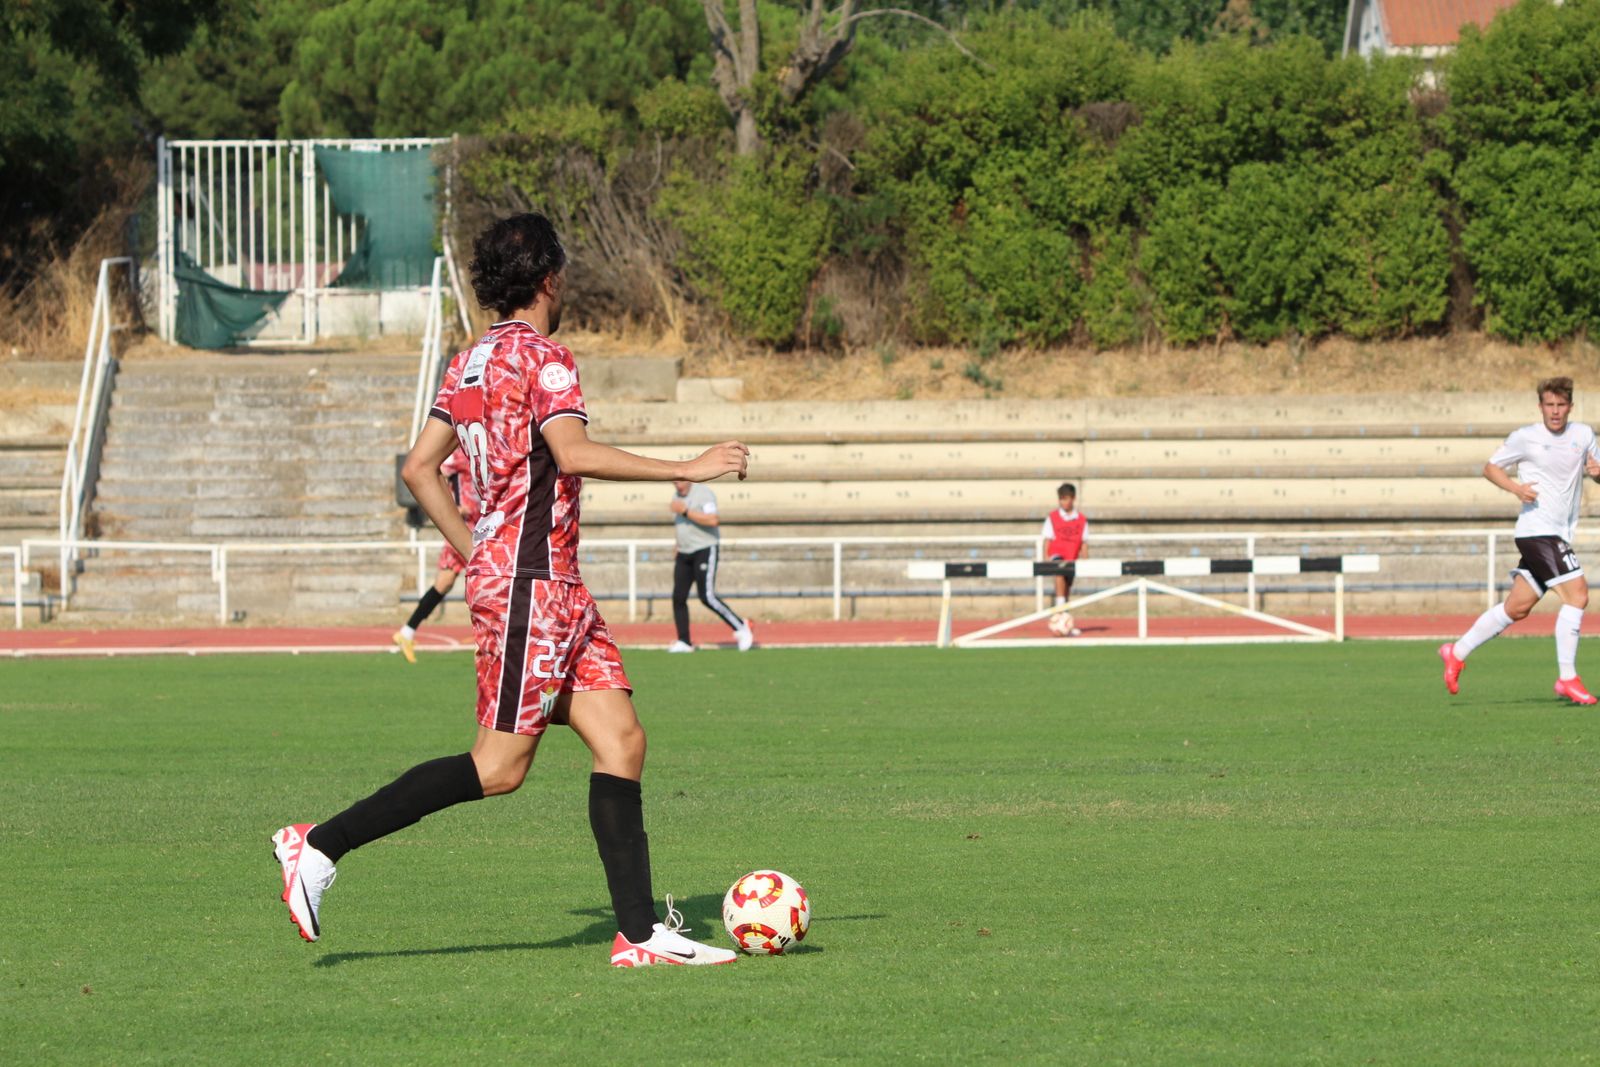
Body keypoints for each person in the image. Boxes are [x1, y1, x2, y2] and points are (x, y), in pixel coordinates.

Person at [272, 212, 751, 967]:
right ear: (550, 278)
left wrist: (478, 553)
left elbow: (419, 468)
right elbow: (572, 452)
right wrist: (685, 466)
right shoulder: (548, 357)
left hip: (547, 584)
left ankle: (639, 935)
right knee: (499, 767)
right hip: (533, 585)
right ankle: (319, 845)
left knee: (622, 739)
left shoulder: (467, 362)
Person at [1439, 376, 1600, 705]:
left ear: (1570, 406)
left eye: (1561, 405)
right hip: (1537, 531)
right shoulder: (1525, 438)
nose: (1555, 411)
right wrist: (1516, 489)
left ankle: (1456, 652)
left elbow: (1598, 471)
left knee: (1517, 607)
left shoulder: (1584, 435)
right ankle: (1567, 677)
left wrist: (1597, 473)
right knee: (1578, 595)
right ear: (1540, 406)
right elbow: (1491, 468)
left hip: (1556, 532)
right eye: (1549, 405)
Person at [392, 445, 478, 664]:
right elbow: (431, 473)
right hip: (462, 527)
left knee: (449, 581)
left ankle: (407, 632)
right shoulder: (458, 453)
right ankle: (407, 632)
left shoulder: (482, 447)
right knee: (462, 580)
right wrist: (452, 508)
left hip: (481, 525)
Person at [667, 479, 753, 653]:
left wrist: (685, 511)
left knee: (707, 596)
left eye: (679, 481)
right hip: (684, 552)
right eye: (673, 482)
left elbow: (713, 520)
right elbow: (681, 524)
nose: (676, 485)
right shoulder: (677, 496)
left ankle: (741, 627)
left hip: (704, 549)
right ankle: (684, 641)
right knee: (678, 597)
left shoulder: (703, 494)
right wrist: (677, 545)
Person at [1040, 482, 1087, 637]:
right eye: (1061, 499)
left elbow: (1084, 543)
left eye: (1066, 498)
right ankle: (1060, 611)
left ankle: (1064, 621)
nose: (1064, 502)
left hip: (1072, 557)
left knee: (1067, 588)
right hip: (1057, 554)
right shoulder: (1052, 517)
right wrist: (1046, 557)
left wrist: (1086, 561)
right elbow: (1047, 539)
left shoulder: (1081, 519)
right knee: (1059, 572)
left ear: (1073, 499)